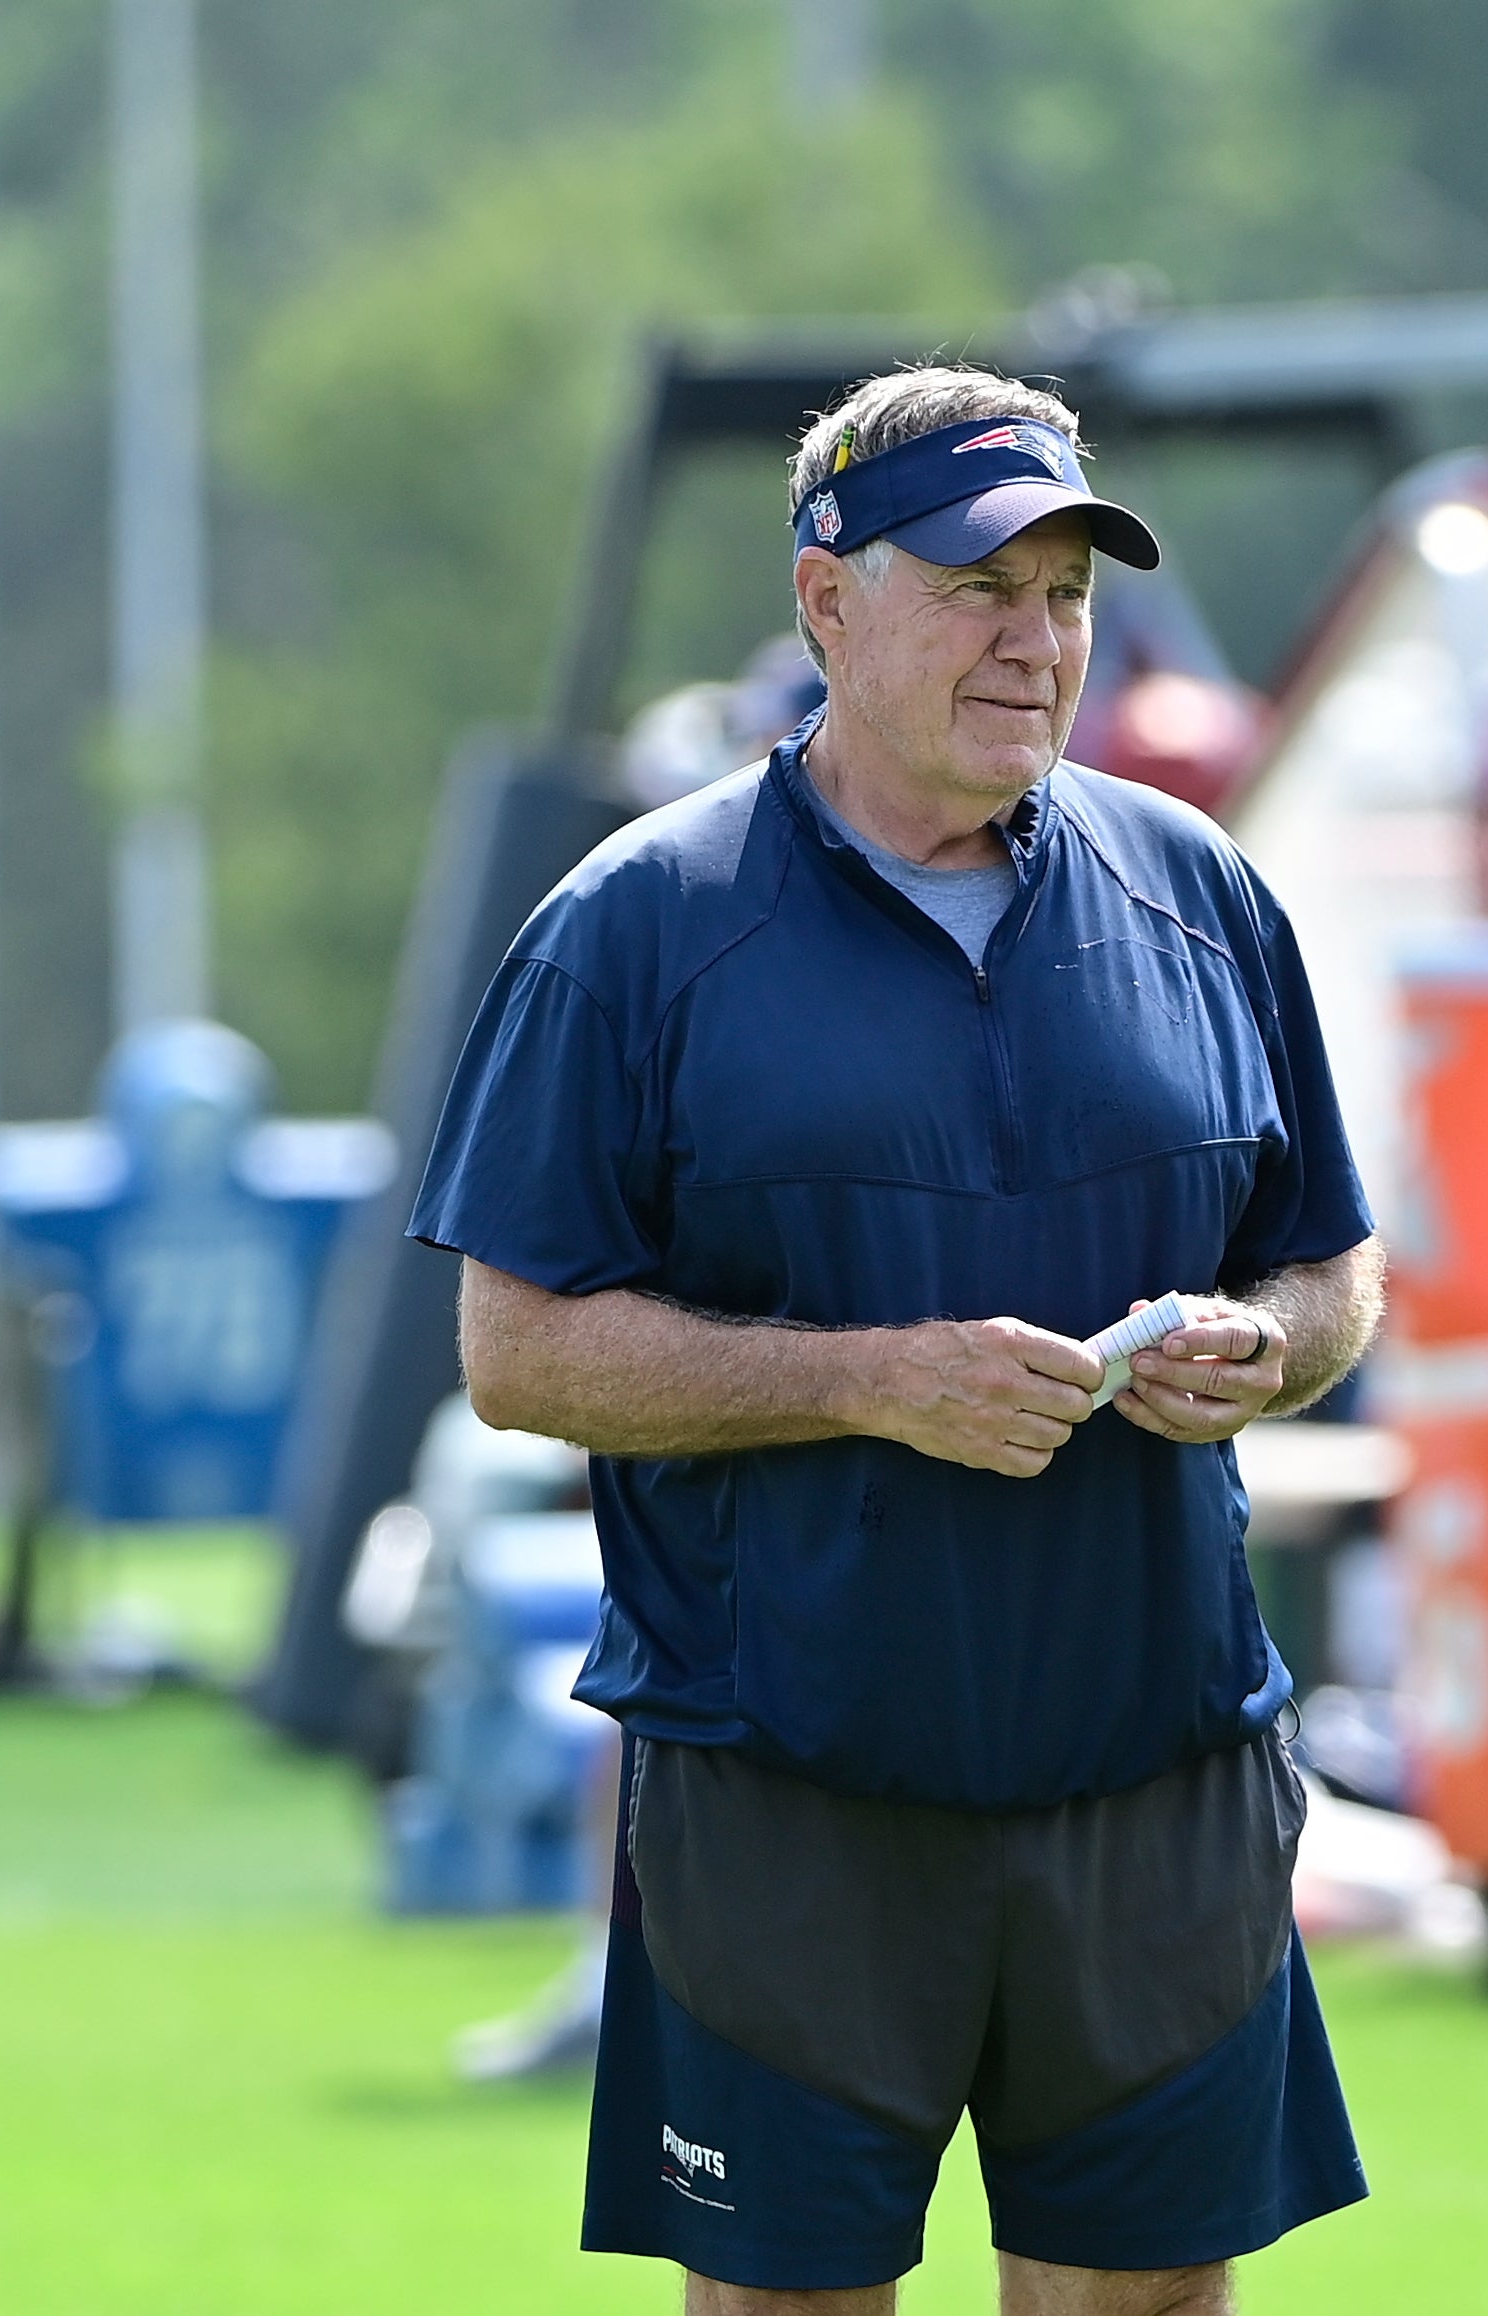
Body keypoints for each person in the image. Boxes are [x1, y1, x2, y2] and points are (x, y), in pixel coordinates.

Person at [409, 364, 1382, 2316]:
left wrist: (1261, 1350)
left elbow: (1336, 1274)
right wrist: (865, 1382)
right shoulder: (640, 927)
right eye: (975, 588)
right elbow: (516, 1351)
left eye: (1062, 596)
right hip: (793, 1800)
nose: (1033, 645)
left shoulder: (1203, 896)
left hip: (1159, 1783)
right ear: (827, 602)